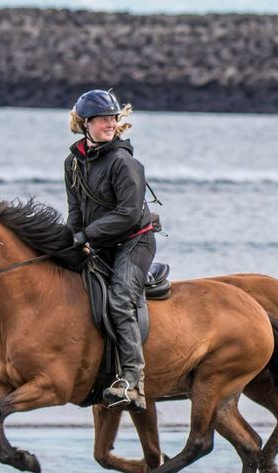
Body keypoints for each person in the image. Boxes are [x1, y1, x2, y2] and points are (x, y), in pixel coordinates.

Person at [65, 89, 156, 412]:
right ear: (84, 123)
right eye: (103, 119)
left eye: (113, 119)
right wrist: (70, 239)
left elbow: (128, 215)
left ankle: (133, 383)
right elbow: (75, 211)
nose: (110, 124)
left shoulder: (124, 162)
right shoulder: (73, 163)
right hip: (100, 243)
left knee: (119, 301)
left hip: (134, 243)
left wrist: (87, 235)